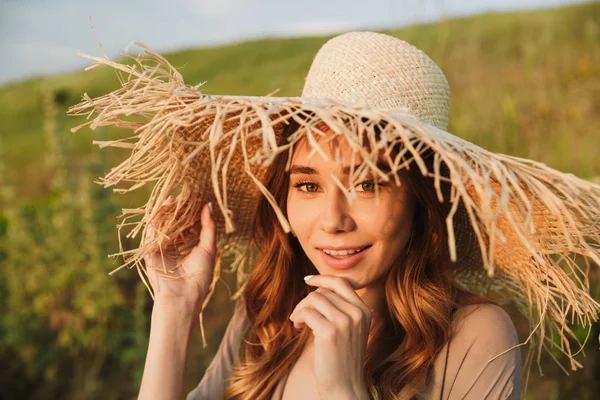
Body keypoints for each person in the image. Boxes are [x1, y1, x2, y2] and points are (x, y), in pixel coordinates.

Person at [69, 31, 600, 400]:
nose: (332, 220)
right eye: (307, 184)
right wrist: (176, 308)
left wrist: (345, 388)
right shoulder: (268, 315)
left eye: (367, 183)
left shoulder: (474, 335)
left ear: (422, 199)